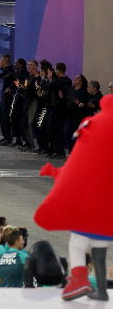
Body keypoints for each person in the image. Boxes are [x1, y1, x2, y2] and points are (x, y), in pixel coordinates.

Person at [36, 95, 113, 301]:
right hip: (110, 211)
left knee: (77, 243)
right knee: (99, 249)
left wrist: (55, 172)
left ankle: (79, 279)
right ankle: (102, 290)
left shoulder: (93, 125)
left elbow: (75, 168)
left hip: (90, 206)